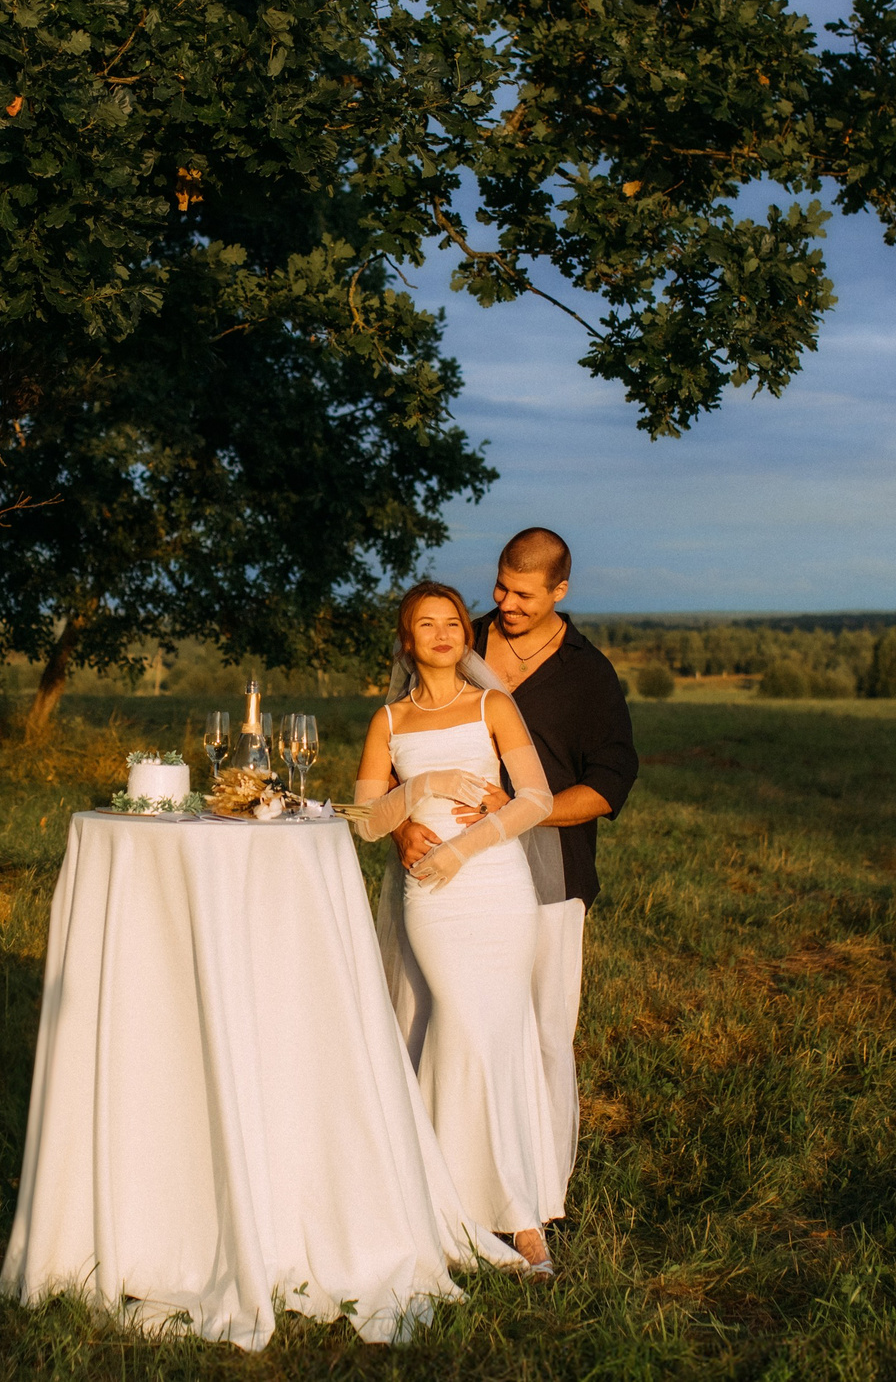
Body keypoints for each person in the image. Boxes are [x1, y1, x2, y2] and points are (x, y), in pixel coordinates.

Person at [393, 527, 637, 1197]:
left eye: (525, 593)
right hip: (444, 873)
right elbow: (394, 754)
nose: (506, 601)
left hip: (550, 875)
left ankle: (542, 1189)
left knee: (545, 1030)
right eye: (500, 585)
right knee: (433, 1013)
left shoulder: (587, 674)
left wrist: (525, 809)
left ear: (561, 591)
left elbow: (612, 781)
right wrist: (400, 830)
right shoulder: (455, 637)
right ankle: (430, 1180)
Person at [347, 581, 564, 1274]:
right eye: (424, 624)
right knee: (461, 1024)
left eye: (451, 622)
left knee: (498, 1033)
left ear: (465, 638)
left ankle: (515, 1210)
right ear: (406, 641)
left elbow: (537, 798)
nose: (442, 632)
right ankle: (452, 1203)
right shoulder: (388, 720)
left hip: (498, 887)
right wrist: (418, 796)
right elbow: (362, 818)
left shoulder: (492, 704)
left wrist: (465, 847)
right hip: (433, 899)